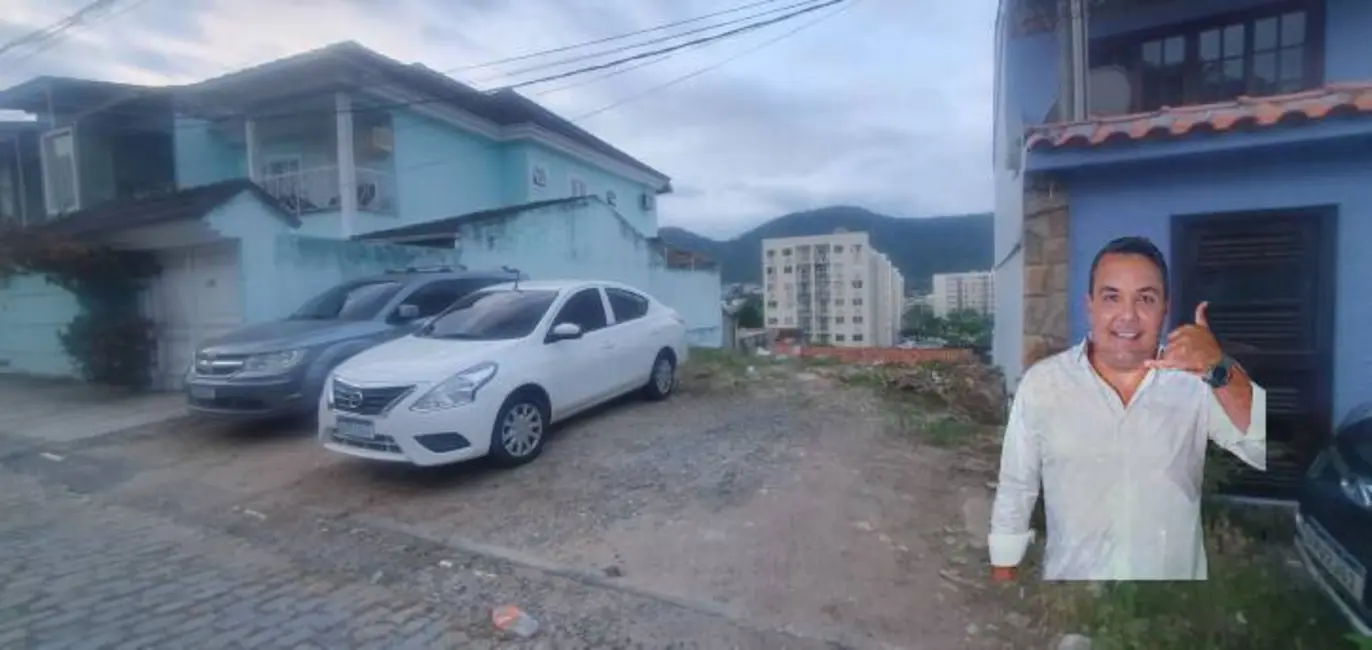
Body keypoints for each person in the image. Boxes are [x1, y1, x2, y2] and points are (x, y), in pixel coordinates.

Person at [987, 236, 1266, 581]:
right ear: (1089, 305)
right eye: (1111, 297)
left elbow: (1261, 446)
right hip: (1073, 595)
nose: (1128, 316)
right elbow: (1017, 484)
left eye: (1145, 299)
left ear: (1166, 307)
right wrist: (1003, 573)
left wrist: (1220, 369)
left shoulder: (1196, 382)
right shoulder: (1043, 384)